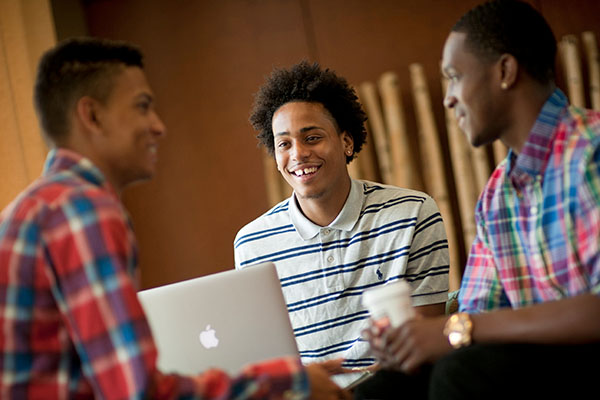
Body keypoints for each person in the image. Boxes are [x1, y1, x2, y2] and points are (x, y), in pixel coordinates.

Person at [0, 37, 348, 399]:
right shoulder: (82, 211)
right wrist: (290, 380)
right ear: (92, 116)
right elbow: (139, 392)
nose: (158, 126)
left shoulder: (33, 209)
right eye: (142, 106)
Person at [360, 1, 600, 399]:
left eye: (454, 77)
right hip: (536, 367)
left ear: (505, 71)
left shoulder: (591, 151)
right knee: (385, 388)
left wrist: (459, 330)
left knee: (462, 374)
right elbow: (478, 313)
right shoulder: (497, 195)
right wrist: (412, 338)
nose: (448, 99)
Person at [234, 61, 450, 387]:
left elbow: (426, 344)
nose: (298, 154)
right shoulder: (252, 244)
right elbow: (266, 360)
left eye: (312, 137)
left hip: (394, 387)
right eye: (284, 143)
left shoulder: (413, 213)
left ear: (346, 142)